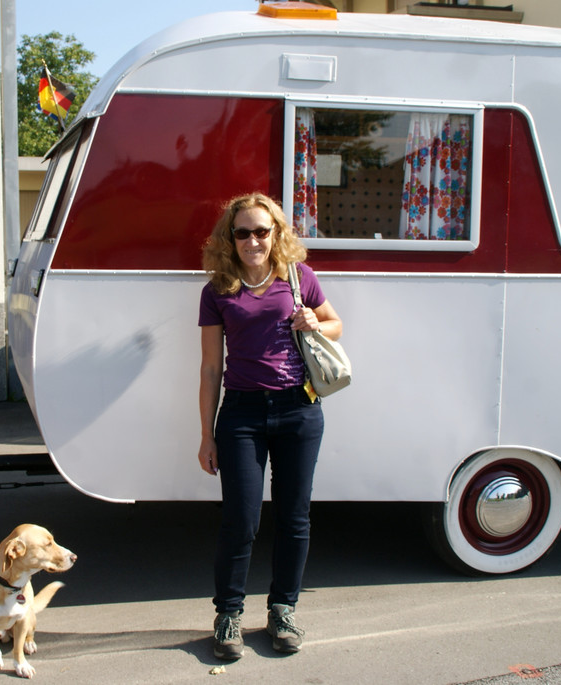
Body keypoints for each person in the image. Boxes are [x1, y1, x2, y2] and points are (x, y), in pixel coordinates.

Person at [197, 192, 342, 661]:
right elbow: (208, 369)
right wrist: (206, 434)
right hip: (240, 414)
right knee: (241, 519)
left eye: (262, 231)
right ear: (230, 238)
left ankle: (283, 610)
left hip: (299, 410)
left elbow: (336, 323)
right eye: (243, 232)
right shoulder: (217, 289)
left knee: (294, 517)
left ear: (276, 233)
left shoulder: (298, 278)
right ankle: (228, 615)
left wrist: (314, 325)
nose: (253, 240)